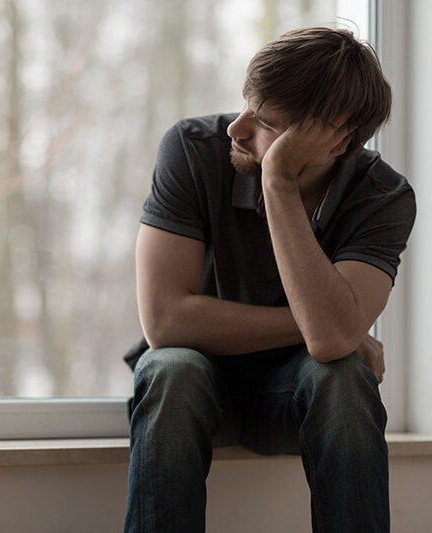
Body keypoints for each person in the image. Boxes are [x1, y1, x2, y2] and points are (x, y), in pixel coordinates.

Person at [122, 27, 416, 533]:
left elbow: (328, 346)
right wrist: (324, 327)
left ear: (333, 140)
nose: (236, 128)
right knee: (171, 368)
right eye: (245, 106)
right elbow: (166, 322)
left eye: (264, 122)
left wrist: (277, 179)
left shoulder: (383, 198)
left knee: (343, 375)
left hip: (299, 397)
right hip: (199, 389)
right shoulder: (193, 150)